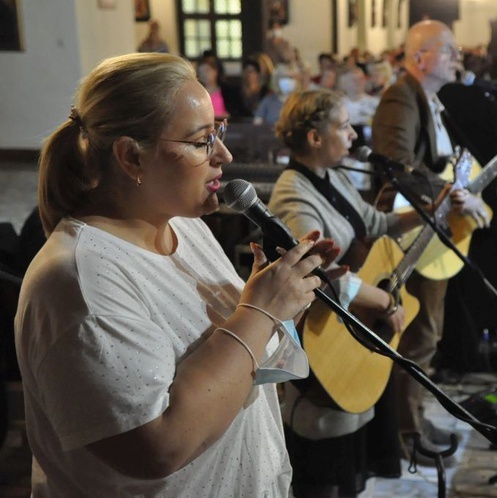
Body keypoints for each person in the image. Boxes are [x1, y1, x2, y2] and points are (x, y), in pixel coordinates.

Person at [14, 52, 340, 497]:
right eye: (201, 140)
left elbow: (237, 364)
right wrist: (258, 312)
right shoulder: (81, 280)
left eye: (218, 132)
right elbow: (158, 445)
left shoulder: (185, 227)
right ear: (131, 157)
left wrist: (282, 301)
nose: (223, 155)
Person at [371, 20, 497, 456]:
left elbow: (446, 170)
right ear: (419, 58)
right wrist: (453, 193)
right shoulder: (401, 96)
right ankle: (405, 435)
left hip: (431, 233)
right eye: (448, 50)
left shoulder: (434, 102)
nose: (459, 57)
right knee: (419, 337)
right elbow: (395, 166)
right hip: (410, 237)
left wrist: (489, 183)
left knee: (426, 337)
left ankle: (412, 425)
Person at [268, 89, 427, 497]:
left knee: (354, 436)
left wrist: (433, 208)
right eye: (343, 126)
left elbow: (375, 223)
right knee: (323, 454)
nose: (354, 135)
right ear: (314, 138)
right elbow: (317, 273)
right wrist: (385, 301)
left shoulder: (332, 176)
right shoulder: (292, 192)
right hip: (321, 334)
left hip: (350, 328)